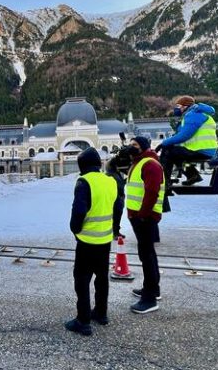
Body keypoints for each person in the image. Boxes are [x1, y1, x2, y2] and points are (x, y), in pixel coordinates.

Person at [64, 148, 121, 336]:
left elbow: (78, 212)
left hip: (87, 241)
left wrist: (75, 229)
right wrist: (114, 228)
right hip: (105, 239)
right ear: (99, 164)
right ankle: (101, 314)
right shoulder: (110, 181)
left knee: (82, 279)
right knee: (102, 278)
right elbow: (118, 206)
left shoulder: (83, 182)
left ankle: (83, 320)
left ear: (82, 166)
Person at [126, 136, 165, 314]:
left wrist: (142, 215)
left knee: (147, 255)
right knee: (147, 253)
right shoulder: (140, 162)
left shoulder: (149, 164)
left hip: (145, 217)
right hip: (140, 216)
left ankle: (149, 299)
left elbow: (152, 192)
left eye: (135, 145)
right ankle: (152, 289)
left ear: (144, 147)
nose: (131, 147)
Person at [156, 95, 218, 187]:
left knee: (168, 151)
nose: (177, 109)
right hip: (204, 149)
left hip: (201, 150)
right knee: (177, 153)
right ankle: (193, 175)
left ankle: (164, 181)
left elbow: (183, 136)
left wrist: (163, 143)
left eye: (178, 106)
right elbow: (179, 134)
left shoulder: (194, 115)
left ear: (185, 106)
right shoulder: (195, 114)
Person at [105, 156, 126, 239]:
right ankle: (115, 233)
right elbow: (119, 186)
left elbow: (120, 184)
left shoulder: (115, 174)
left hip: (118, 198)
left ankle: (116, 232)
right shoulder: (111, 174)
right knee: (115, 216)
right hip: (116, 199)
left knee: (117, 216)